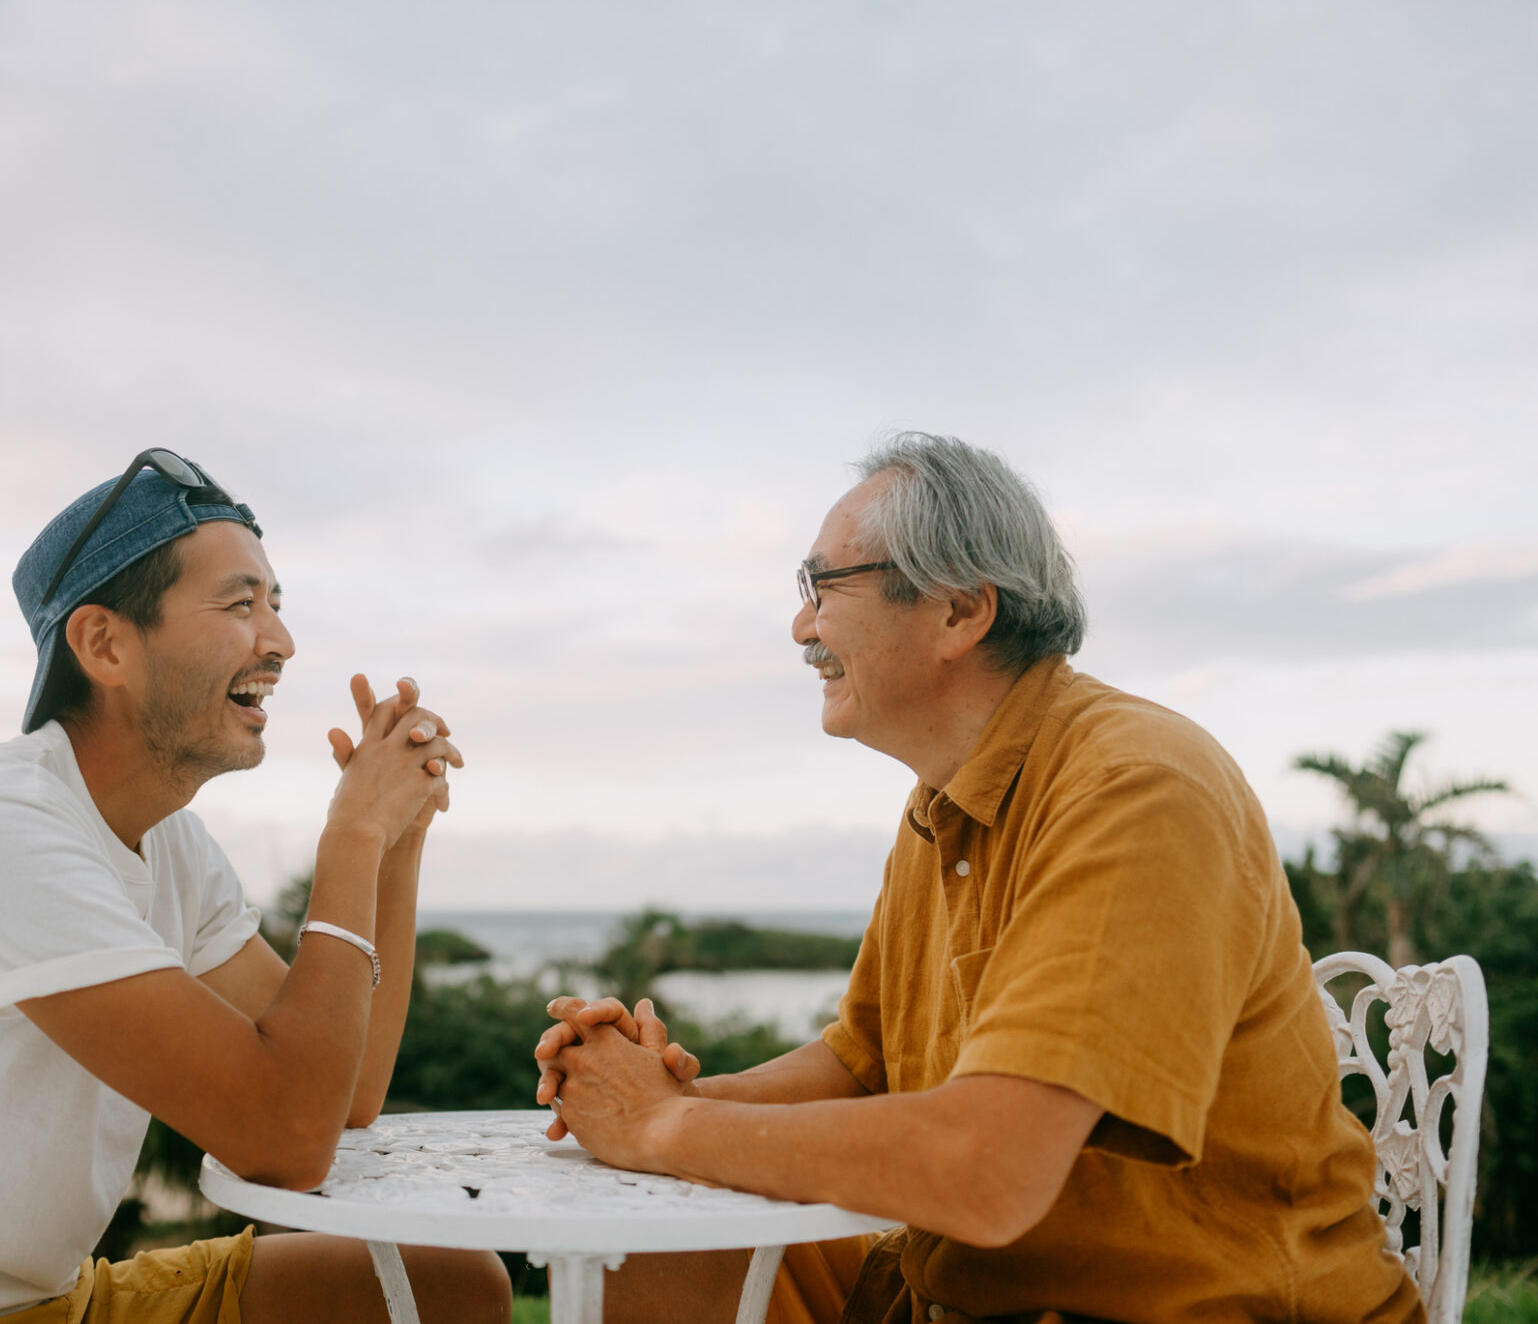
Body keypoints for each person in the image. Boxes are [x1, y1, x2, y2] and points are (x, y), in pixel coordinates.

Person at [533, 433, 1420, 1324]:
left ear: (959, 610)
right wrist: (669, 1093)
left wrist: (662, 1128)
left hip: (1189, 1306)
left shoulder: (1137, 786)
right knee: (640, 1266)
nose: (801, 626)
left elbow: (990, 1168)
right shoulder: (940, 805)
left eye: (822, 586)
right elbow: (862, 1061)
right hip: (950, 1293)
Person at [0, 448, 511, 1324]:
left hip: (46, 1301)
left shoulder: (170, 844)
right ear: (104, 642)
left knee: (447, 1283)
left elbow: (347, 1094)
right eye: (240, 603)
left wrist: (395, 846)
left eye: (277, 604)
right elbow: (286, 1139)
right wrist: (352, 831)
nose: (281, 641)